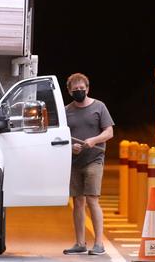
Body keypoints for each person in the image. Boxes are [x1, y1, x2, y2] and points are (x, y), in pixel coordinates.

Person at [62, 73, 114, 256]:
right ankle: (80, 243)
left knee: (92, 199)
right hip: (75, 162)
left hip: (94, 159)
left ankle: (98, 243)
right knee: (77, 201)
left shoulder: (99, 107)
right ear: (69, 91)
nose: (79, 92)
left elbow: (109, 132)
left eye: (81, 89)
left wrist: (94, 140)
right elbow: (61, 137)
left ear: (88, 89)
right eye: (75, 90)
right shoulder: (66, 111)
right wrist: (71, 147)